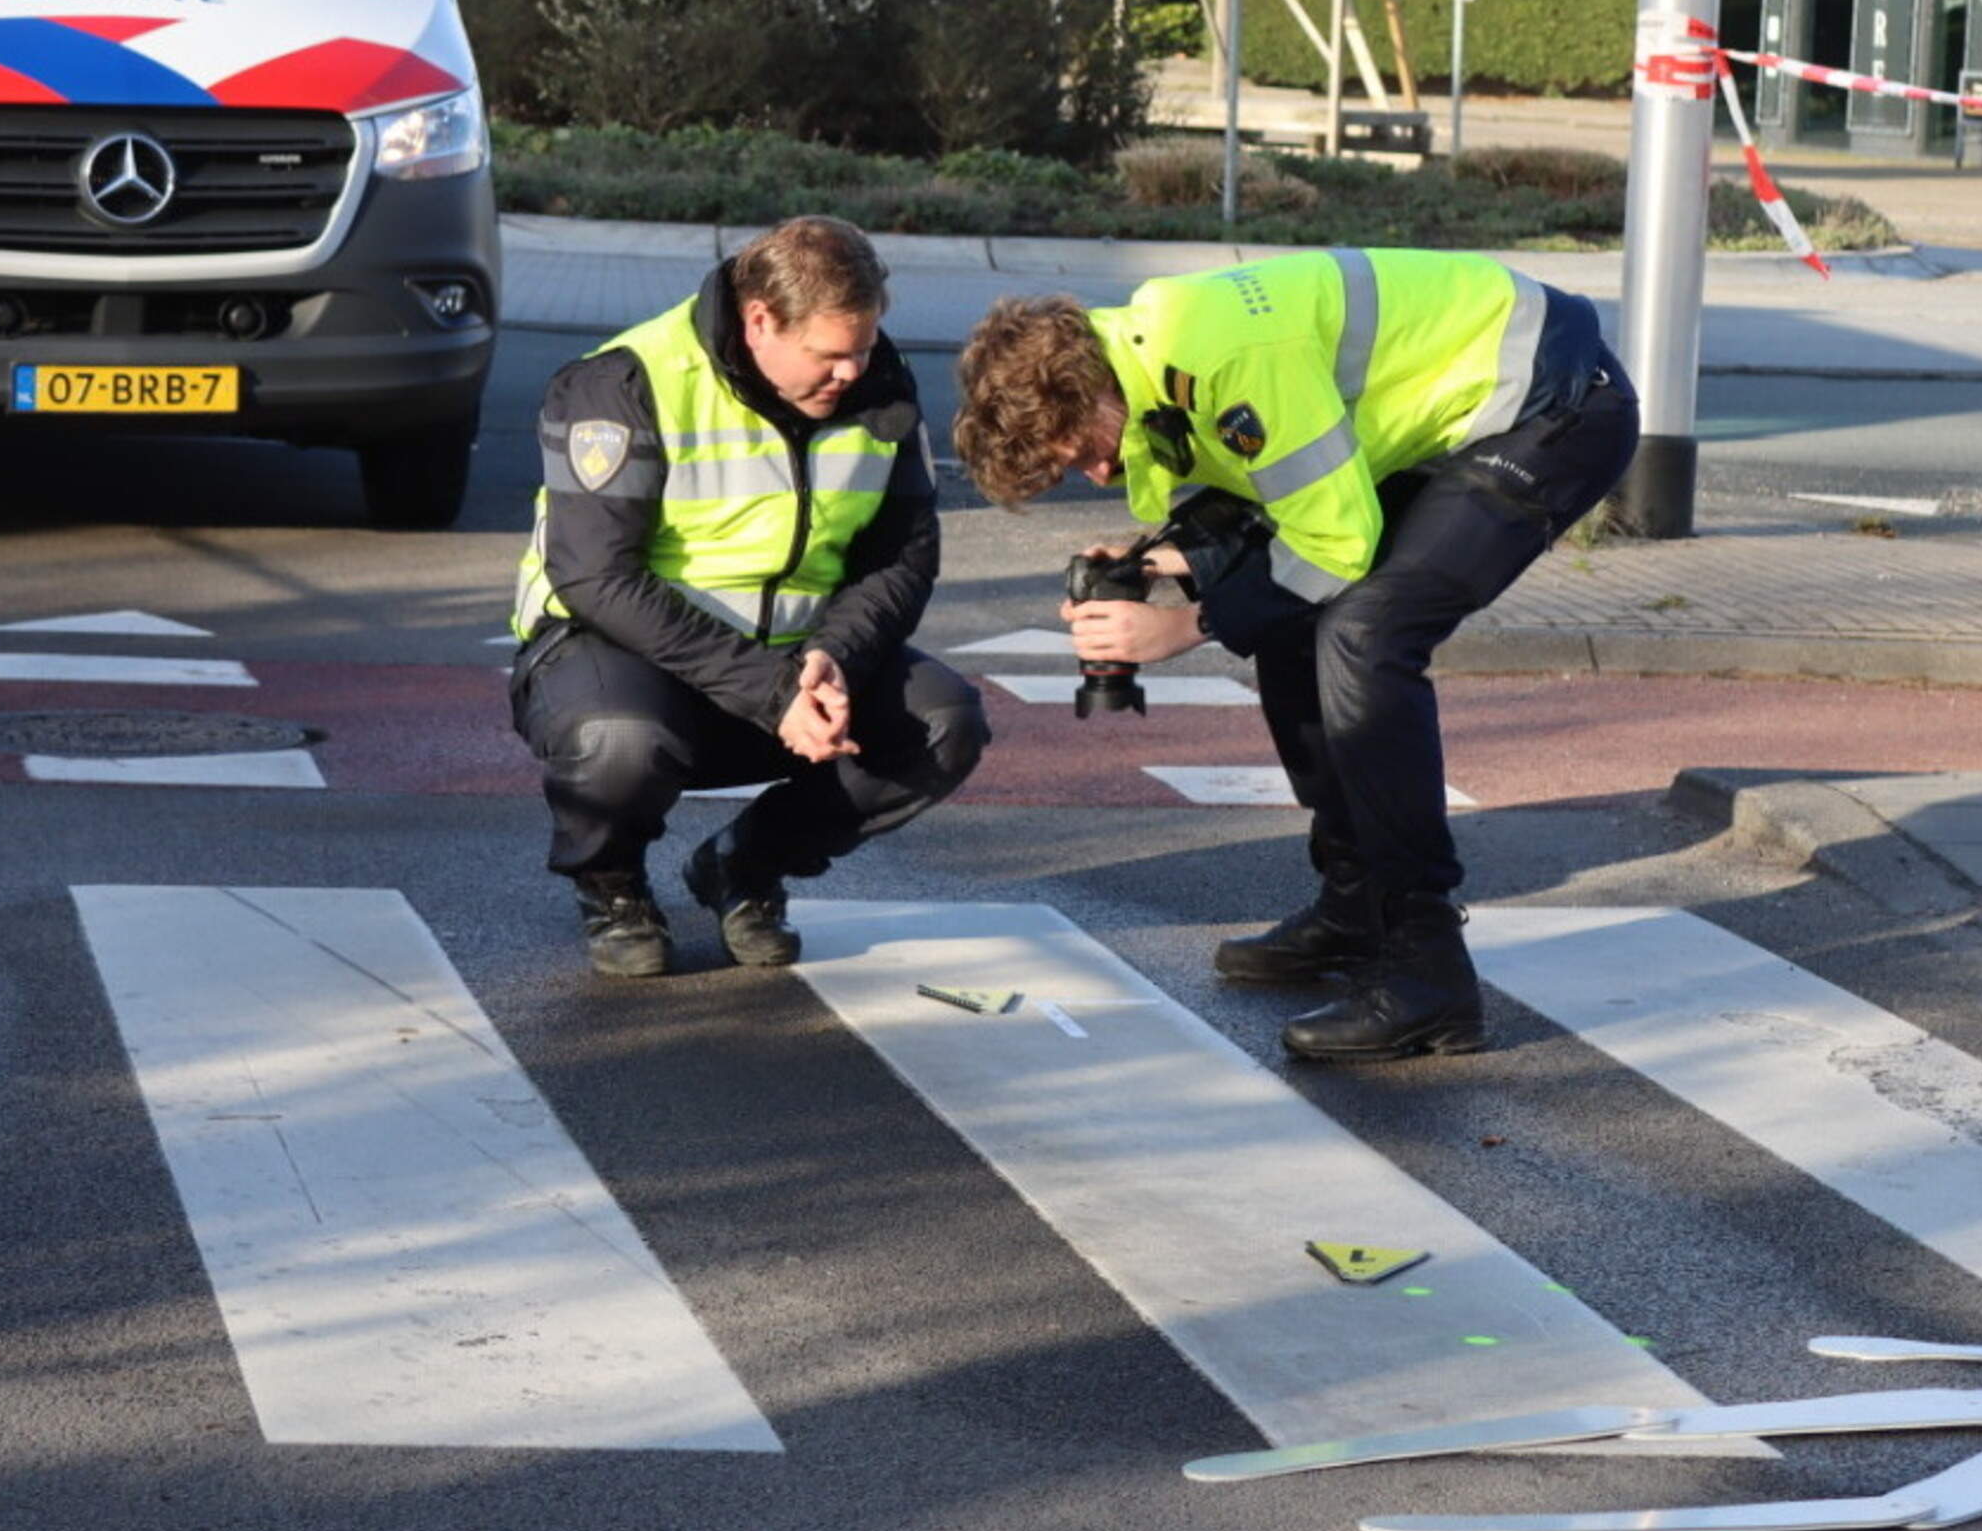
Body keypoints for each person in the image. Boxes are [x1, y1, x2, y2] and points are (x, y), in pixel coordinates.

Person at [950, 250, 1638, 1062]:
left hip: (1556, 409)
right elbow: (1267, 484)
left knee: (1366, 634)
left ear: (1087, 387)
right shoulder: (1145, 351)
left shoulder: (1224, 356)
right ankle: (1354, 905)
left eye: (1080, 451)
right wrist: (1162, 558)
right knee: (1290, 621)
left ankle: (1430, 974)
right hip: (1450, 426)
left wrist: (1183, 627)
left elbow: (1335, 539)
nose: (1095, 471)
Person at [509, 216, 987, 976]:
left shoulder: (877, 380)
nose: (854, 372)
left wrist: (836, 654)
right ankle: (614, 885)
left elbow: (903, 556)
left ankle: (745, 864)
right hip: (624, 656)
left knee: (946, 722)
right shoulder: (625, 381)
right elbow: (596, 576)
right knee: (618, 744)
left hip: (799, 663)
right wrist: (773, 693)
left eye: (864, 347)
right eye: (831, 355)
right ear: (760, 320)